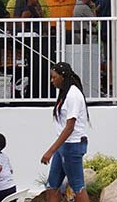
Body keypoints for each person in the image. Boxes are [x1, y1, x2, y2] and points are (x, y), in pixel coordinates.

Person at [42, 62, 90, 202]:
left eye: (54, 77)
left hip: (72, 146)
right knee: (52, 186)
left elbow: (70, 127)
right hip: (64, 146)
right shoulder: (66, 93)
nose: (52, 81)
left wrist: (50, 151)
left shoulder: (73, 95)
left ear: (62, 77)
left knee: (77, 187)